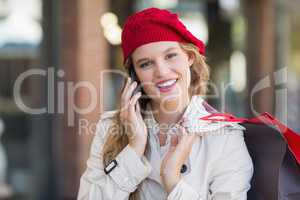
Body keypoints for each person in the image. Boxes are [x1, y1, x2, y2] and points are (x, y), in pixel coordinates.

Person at [77, 7, 253, 200]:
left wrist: (172, 181)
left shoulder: (224, 137)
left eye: (170, 56)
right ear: (134, 75)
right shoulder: (110, 127)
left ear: (189, 57)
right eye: (146, 63)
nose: (161, 71)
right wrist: (134, 149)